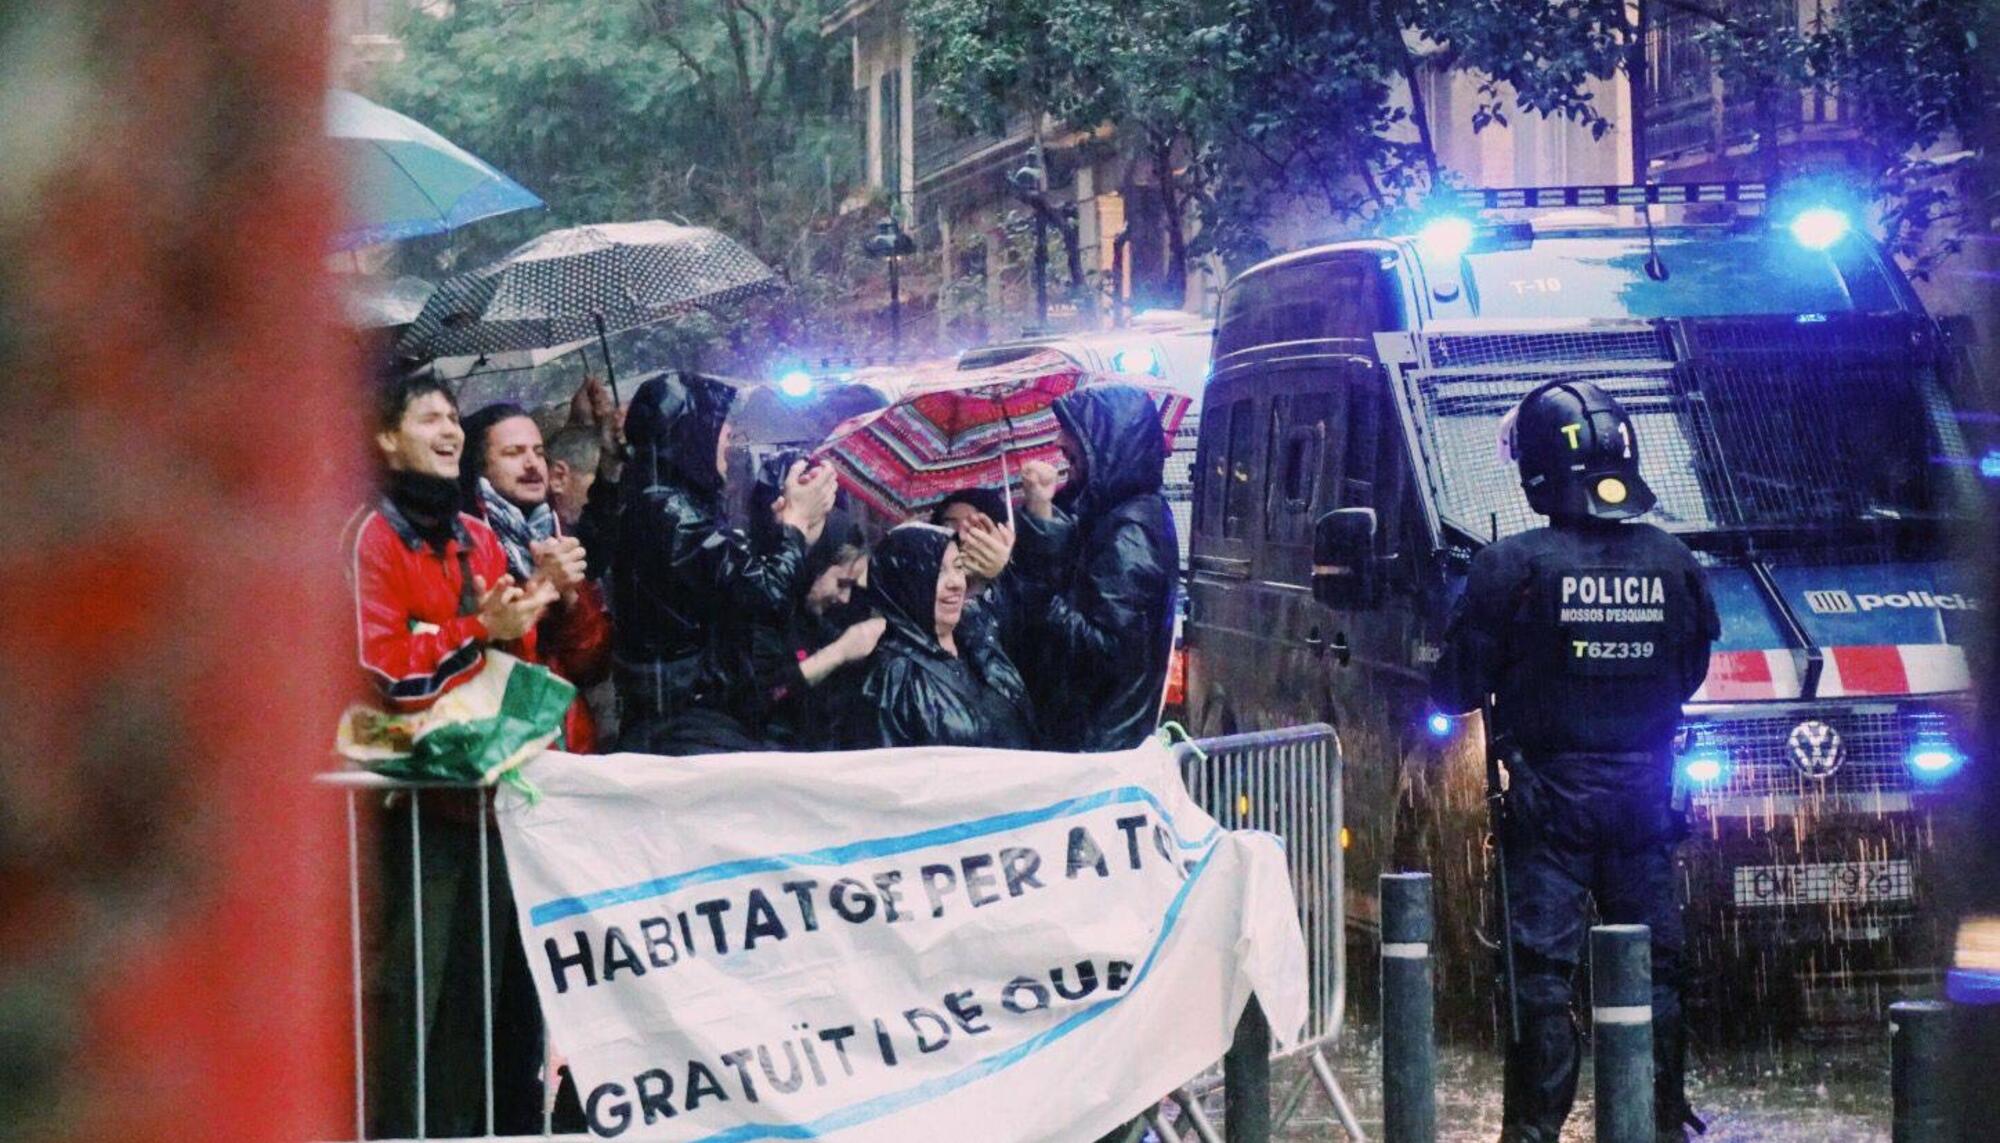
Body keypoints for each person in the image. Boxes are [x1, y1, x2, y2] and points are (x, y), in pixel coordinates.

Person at [1428, 380, 1718, 1143]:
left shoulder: (1509, 565)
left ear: (1534, 471)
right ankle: (1656, 1121)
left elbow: (1454, 684)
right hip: (1646, 802)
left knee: (1541, 978)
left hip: (1547, 807)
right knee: (1654, 971)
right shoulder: (1675, 559)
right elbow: (1689, 670)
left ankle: (1533, 1131)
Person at [347, 370, 571, 1137]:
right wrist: (478, 630)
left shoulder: (478, 534)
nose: (448, 430)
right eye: (429, 417)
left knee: (484, 1000)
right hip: (407, 808)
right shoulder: (370, 536)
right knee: (414, 997)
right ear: (386, 438)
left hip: (491, 798)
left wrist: (540, 596)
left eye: (452, 418)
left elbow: (515, 660)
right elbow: (383, 669)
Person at [612, 372, 835, 753]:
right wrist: (795, 525)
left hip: (701, 708)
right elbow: (762, 594)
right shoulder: (666, 509)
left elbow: (744, 592)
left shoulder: (670, 503)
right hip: (686, 719)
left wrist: (794, 534)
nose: (729, 436)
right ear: (690, 433)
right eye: (719, 426)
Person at [1014, 385, 1178, 752]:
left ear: (1105, 443)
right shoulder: (1113, 516)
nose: (1059, 441)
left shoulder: (1130, 532)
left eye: (1071, 431)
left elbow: (1107, 653)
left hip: (1097, 747)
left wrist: (1040, 598)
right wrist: (1041, 515)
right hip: (1091, 739)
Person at [459, 402, 613, 751]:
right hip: (503, 751)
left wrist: (571, 597)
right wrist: (541, 587)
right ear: (480, 466)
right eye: (513, 453)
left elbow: (592, 666)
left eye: (538, 452)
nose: (532, 464)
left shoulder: (555, 534)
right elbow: (485, 666)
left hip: (568, 745)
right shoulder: (464, 545)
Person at [846, 523, 1034, 749]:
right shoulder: (889, 677)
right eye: (938, 571)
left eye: (958, 567)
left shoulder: (978, 638)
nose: (955, 582)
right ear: (905, 584)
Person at [743, 503, 885, 749]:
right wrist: (837, 654)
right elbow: (756, 698)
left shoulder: (814, 622)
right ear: (813, 568)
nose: (845, 598)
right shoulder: (759, 617)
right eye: (841, 583)